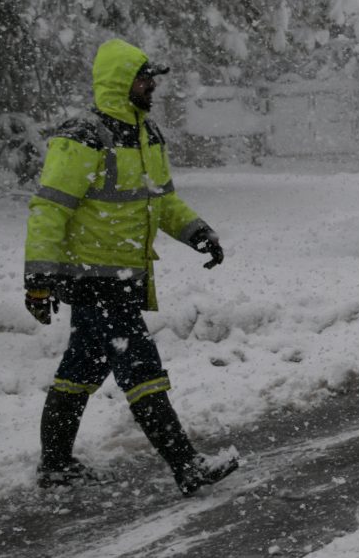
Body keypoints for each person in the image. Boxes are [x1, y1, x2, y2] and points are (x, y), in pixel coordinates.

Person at [23, 39, 240, 494]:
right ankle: (186, 464)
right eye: (145, 79)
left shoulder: (147, 134)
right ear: (123, 82)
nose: (152, 88)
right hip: (92, 276)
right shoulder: (82, 136)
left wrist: (197, 232)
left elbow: (161, 201)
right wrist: (39, 278)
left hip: (127, 274)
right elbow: (50, 207)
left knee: (79, 369)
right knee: (142, 369)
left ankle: (55, 464)